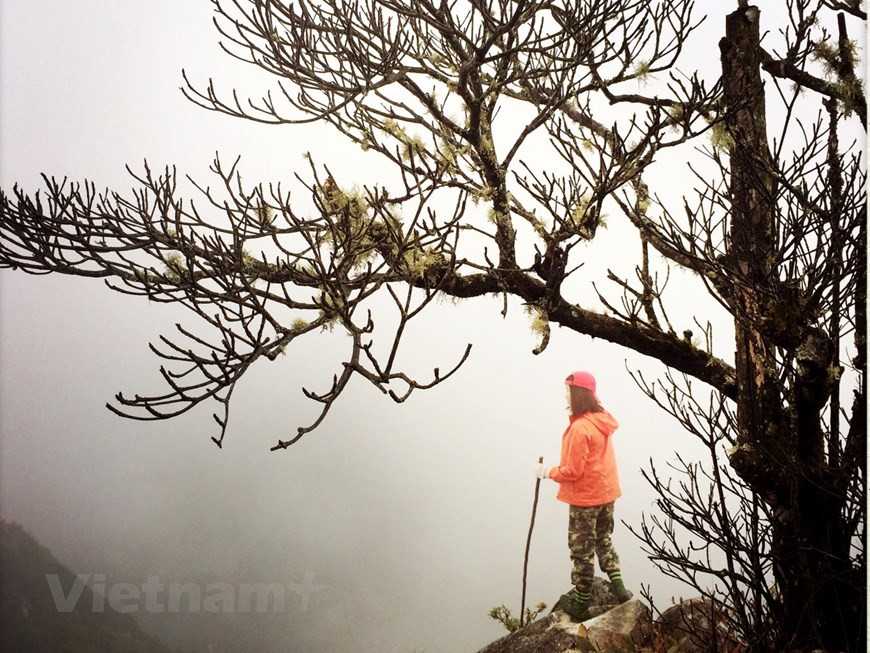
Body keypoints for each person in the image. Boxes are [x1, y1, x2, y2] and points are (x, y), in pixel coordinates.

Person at [534, 371, 632, 621]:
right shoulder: (601, 419)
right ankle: (619, 588)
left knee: (581, 549)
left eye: (568, 391)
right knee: (603, 539)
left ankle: (581, 602)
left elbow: (573, 471)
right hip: (607, 492)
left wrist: (547, 472)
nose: (565, 396)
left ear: (577, 395)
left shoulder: (579, 428)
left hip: (586, 498)